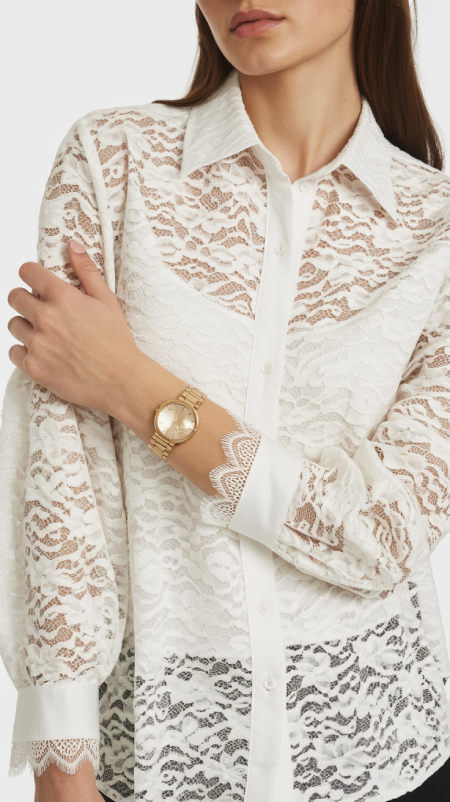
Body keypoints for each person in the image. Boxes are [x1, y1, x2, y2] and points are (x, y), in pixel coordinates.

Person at [1, 0, 450, 800]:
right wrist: (61, 768)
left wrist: (135, 388)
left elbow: (388, 534)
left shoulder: (437, 233)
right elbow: (60, 478)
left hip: (391, 761)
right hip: (153, 763)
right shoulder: (114, 162)